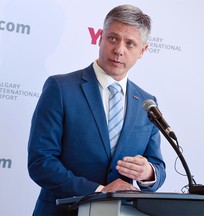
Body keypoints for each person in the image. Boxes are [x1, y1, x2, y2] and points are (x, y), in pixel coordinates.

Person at [27, 4, 166, 216]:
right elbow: (41, 162)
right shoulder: (60, 88)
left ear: (142, 51)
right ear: (100, 38)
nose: (119, 49)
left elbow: (157, 167)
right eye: (113, 38)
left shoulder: (147, 103)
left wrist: (148, 173)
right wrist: (100, 192)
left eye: (130, 43)